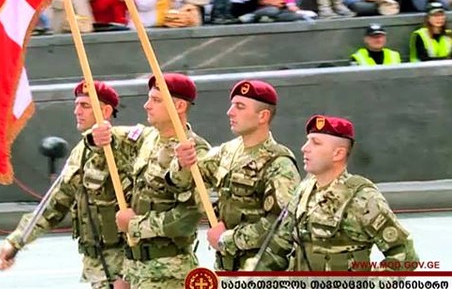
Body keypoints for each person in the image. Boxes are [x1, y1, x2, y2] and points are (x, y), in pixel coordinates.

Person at [0, 80, 131, 289]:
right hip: (98, 267)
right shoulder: (81, 153)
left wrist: (129, 273)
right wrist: (15, 243)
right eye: (76, 105)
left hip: (126, 262)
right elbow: (55, 203)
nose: (77, 111)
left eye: (85, 105)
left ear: (105, 111)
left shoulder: (127, 145)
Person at [254, 115, 418, 271]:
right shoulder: (303, 191)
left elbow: (405, 256)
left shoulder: (362, 198)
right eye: (307, 141)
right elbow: (278, 248)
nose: (305, 148)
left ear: (338, 153)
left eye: (315, 143)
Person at [171, 80, 301, 271]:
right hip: (225, 266)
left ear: (263, 116)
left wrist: (228, 239)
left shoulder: (279, 162)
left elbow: (282, 225)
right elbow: (189, 179)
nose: (230, 112)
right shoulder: (227, 152)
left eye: (240, 107)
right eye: (232, 105)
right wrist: (182, 163)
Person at [110, 74, 211, 289]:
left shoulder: (195, 152)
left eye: (156, 100)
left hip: (169, 271)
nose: (147, 105)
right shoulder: (149, 138)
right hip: (136, 266)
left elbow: (189, 216)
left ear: (180, 105)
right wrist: (97, 136)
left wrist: (134, 225)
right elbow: (110, 136)